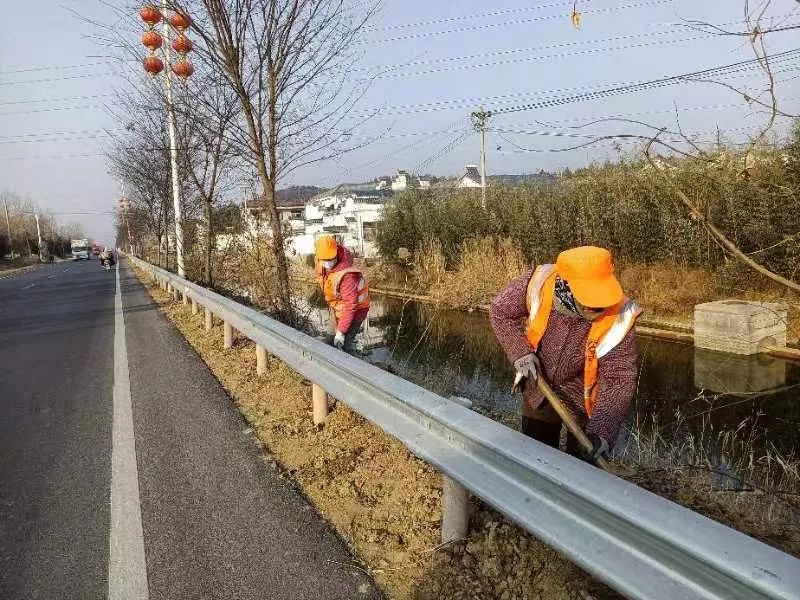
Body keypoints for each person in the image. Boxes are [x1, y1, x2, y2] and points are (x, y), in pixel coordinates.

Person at [490, 246, 640, 465]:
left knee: (581, 469)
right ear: (567, 286)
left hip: (584, 402)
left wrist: (602, 432)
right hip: (539, 387)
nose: (600, 307)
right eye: (590, 300)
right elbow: (500, 312)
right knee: (536, 457)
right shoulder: (538, 283)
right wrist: (520, 353)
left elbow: (619, 377)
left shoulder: (620, 315)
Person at [314, 235, 370, 354]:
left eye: (330, 259)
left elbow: (351, 305)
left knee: (344, 346)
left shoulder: (347, 275)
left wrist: (341, 332)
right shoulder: (321, 262)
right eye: (324, 260)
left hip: (356, 311)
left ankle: (353, 368)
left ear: (336, 252)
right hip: (337, 308)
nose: (327, 263)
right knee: (329, 340)